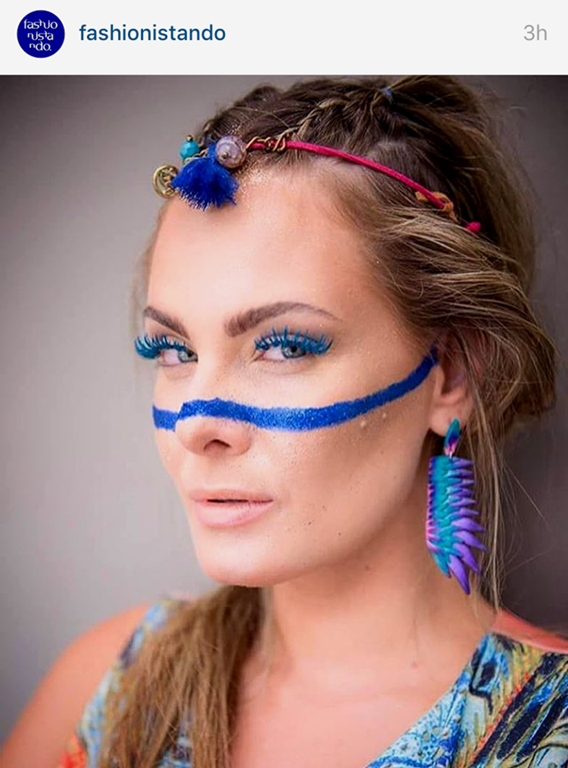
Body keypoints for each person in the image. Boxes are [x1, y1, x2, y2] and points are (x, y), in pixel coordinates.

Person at [2, 75, 567, 768]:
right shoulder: (104, 689)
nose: (195, 425)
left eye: (283, 346)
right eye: (174, 349)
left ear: (449, 374)